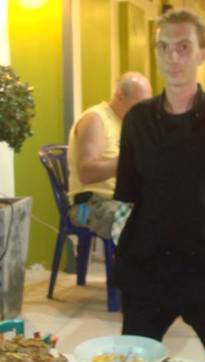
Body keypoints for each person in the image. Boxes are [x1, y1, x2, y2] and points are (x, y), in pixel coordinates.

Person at [113, 8, 205, 362]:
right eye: (164, 47)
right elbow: (132, 195)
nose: (173, 57)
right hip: (149, 266)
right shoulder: (138, 120)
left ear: (202, 54)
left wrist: (203, 227)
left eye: (183, 47)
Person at [67, 72, 152, 239]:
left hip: (123, 200)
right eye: (139, 105)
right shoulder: (95, 119)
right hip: (90, 205)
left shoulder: (129, 122)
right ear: (119, 97)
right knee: (143, 226)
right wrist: (132, 160)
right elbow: (86, 173)